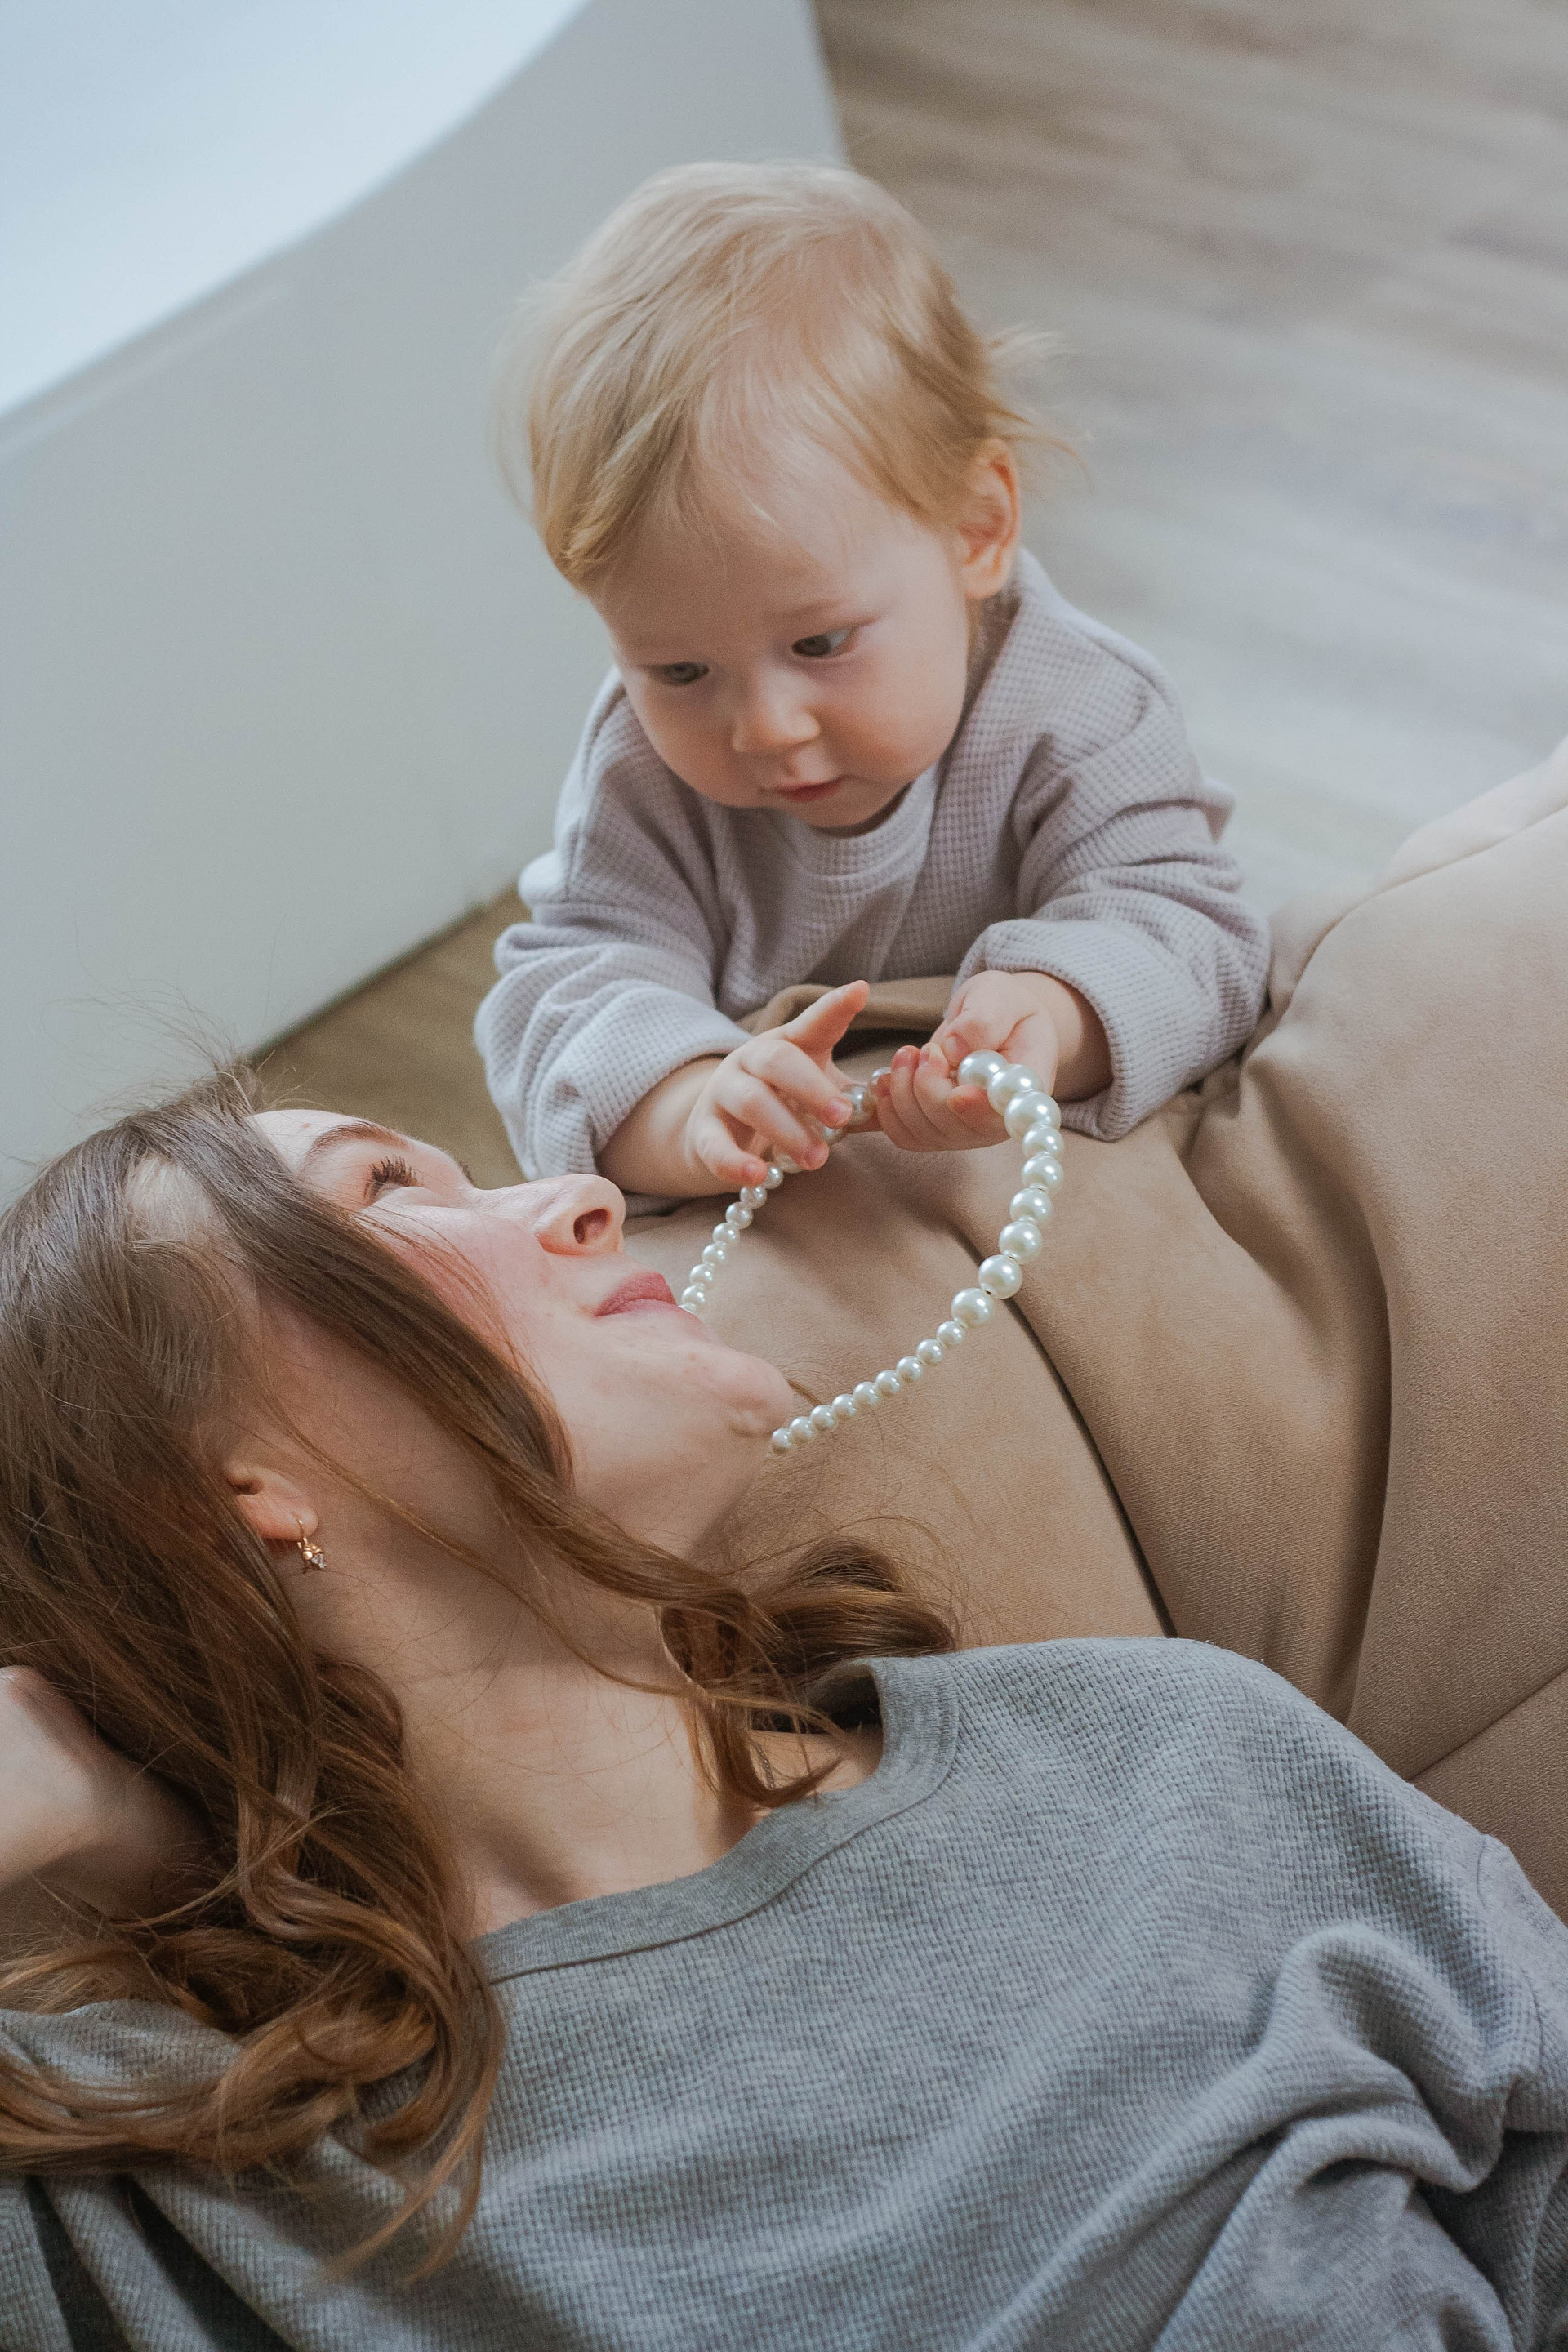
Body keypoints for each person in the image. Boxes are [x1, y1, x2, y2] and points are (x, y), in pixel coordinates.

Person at [1, 1071, 1566, 2350]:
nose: (583, 1196)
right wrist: (96, 1825)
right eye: (387, 1192)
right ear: (218, 1494)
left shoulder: (1168, 1755)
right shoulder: (158, 2178)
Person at [476, 163, 1269, 1206]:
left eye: (819, 643)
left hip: (1052, 1187)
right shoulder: (640, 767)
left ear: (976, 528)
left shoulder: (1083, 708)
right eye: (680, 669)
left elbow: (1194, 940)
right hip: (794, 1217)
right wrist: (692, 1105)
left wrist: (1054, 1014)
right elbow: (566, 999)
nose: (764, 727)